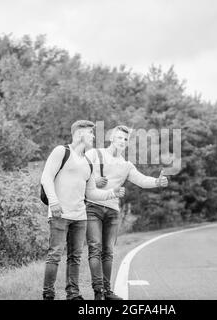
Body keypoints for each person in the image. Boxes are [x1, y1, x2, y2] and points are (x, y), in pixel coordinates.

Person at [41, 120, 125, 300]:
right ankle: (48, 294)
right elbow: (46, 178)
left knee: (75, 257)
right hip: (59, 213)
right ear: (80, 134)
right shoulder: (61, 152)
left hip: (80, 216)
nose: (94, 137)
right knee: (55, 254)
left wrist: (112, 193)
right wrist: (54, 202)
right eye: (91, 133)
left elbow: (92, 193)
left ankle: (73, 294)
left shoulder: (87, 162)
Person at [85, 125, 168, 300]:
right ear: (111, 138)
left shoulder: (126, 165)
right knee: (95, 249)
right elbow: (81, 173)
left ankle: (107, 292)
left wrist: (158, 182)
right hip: (93, 206)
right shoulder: (94, 154)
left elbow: (142, 180)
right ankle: (98, 292)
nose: (123, 141)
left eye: (126, 139)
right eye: (120, 138)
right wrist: (93, 180)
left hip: (113, 211)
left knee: (108, 251)